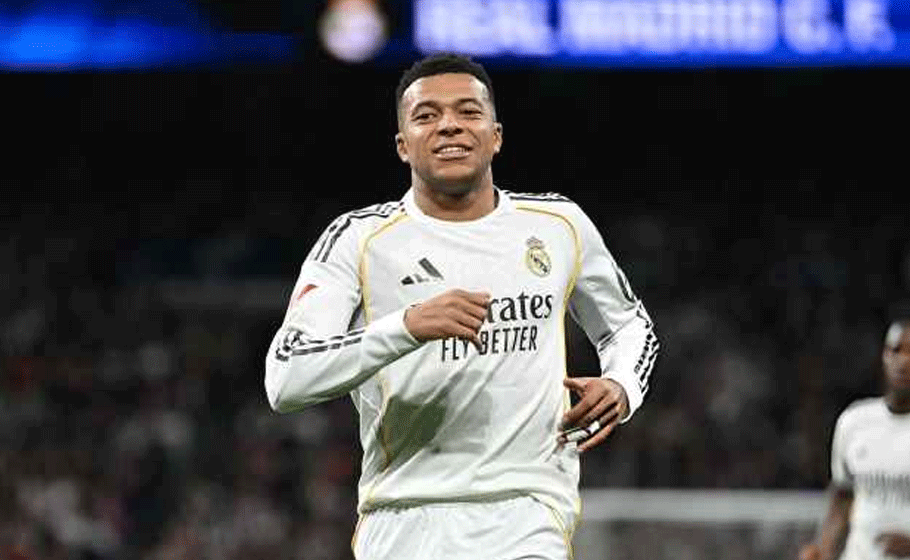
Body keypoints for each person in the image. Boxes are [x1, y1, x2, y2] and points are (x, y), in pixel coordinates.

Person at [263, 53, 659, 560]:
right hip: (403, 518)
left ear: (496, 136)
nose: (449, 125)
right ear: (403, 145)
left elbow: (628, 324)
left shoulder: (559, 225)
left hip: (527, 513)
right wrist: (407, 327)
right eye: (426, 116)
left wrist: (621, 384)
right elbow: (287, 378)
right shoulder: (359, 240)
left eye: (468, 112)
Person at [799, 304, 910, 560]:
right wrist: (823, 550)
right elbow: (842, 497)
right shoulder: (854, 422)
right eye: (895, 350)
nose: (903, 361)